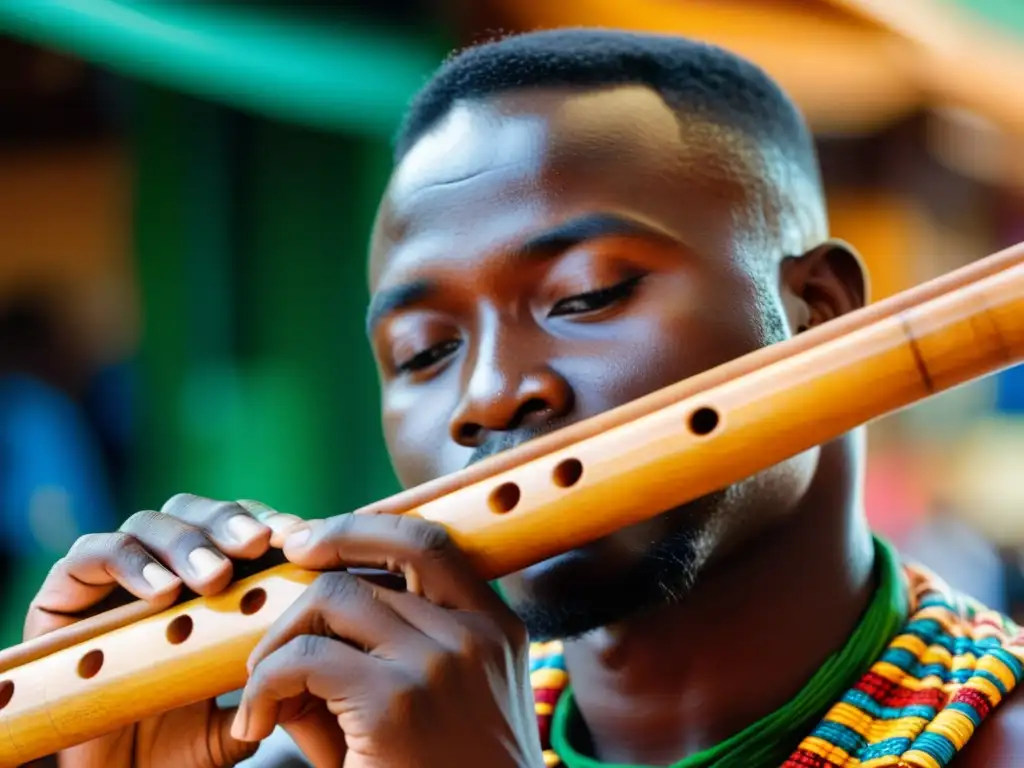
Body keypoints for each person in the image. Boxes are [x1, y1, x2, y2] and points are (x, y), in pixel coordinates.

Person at [24, 29, 1024, 768]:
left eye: (585, 295)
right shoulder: (316, 752)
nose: (492, 393)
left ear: (817, 311)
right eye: (423, 350)